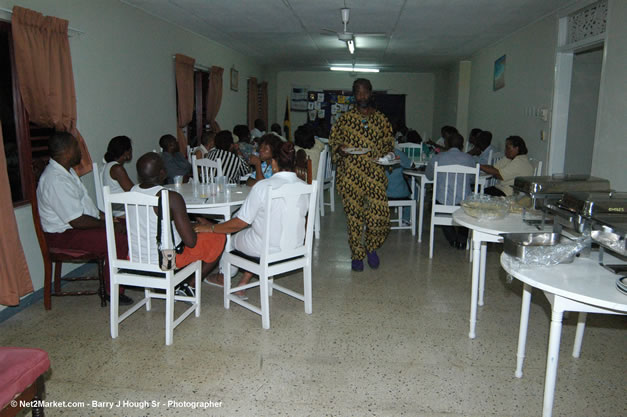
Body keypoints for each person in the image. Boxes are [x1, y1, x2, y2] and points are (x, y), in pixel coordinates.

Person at [194, 142, 309, 298]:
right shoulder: (305, 186)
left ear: (274, 163)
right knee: (256, 232)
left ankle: (223, 277)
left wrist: (212, 229)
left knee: (229, 238)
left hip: (265, 248)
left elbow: (240, 223)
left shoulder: (263, 186)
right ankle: (242, 284)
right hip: (296, 246)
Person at [36, 132, 133, 305]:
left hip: (75, 228)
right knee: (116, 238)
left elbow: (87, 208)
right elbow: (77, 220)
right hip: (63, 236)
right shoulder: (55, 180)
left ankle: (124, 275)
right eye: (76, 147)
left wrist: (109, 218)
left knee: (127, 226)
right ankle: (113, 292)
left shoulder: (68, 172)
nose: (80, 151)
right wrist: (108, 225)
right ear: (66, 151)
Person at [132, 152, 226, 291]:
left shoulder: (131, 192)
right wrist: (196, 227)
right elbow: (190, 242)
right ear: (163, 173)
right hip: (165, 259)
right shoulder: (171, 197)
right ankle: (189, 285)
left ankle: (179, 283)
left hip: (135, 256)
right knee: (218, 236)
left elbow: (154, 223)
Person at [329, 78, 394, 272]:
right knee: (354, 217)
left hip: (374, 173)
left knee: (379, 215)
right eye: (358, 92)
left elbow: (389, 144)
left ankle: (372, 247)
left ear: (371, 93)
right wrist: (340, 149)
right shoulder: (344, 119)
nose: (362, 96)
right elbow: (334, 143)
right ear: (353, 95)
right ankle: (357, 254)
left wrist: (389, 155)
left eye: (365, 92)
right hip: (350, 175)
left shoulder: (382, 119)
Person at [425, 132, 476, 249]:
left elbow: (428, 176)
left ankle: (452, 238)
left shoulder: (437, 158)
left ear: (446, 144)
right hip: (464, 203)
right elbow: (473, 179)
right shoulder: (469, 159)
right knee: (467, 206)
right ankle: (462, 240)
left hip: (443, 201)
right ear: (462, 145)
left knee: (434, 204)